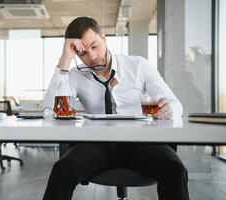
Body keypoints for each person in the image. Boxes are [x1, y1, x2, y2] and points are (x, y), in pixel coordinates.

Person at [43, 16, 189, 200]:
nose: (92, 57)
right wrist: (65, 59)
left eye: (95, 46)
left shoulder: (138, 65)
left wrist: (169, 109)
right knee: (61, 170)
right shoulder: (74, 76)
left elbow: (176, 104)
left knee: (175, 170)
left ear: (103, 38)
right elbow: (49, 111)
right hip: (97, 145)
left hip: (141, 143)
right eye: (83, 53)